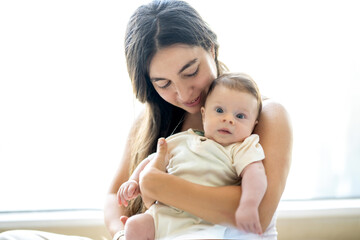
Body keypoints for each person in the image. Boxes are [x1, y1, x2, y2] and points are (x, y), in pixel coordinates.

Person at [0, 0, 292, 240]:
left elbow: (257, 213)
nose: (183, 93)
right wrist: (120, 234)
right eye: (163, 83)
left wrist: (155, 184)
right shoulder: (150, 120)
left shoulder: (265, 115)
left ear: (211, 49)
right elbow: (114, 194)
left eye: (190, 71)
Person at [117, 73, 267, 239]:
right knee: (134, 225)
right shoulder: (182, 140)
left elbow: (256, 174)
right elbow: (150, 160)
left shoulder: (240, 149)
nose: (228, 119)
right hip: (162, 216)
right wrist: (133, 181)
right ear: (204, 114)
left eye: (240, 116)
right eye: (219, 110)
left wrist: (249, 204)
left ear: (253, 125)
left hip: (201, 224)